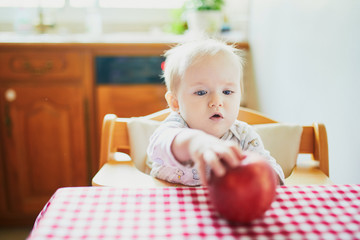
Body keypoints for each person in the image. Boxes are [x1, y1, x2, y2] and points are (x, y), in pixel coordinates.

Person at [147, 38, 284, 186]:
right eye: (201, 92)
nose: (217, 101)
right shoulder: (173, 128)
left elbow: (273, 172)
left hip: (224, 205)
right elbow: (159, 145)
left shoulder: (243, 136)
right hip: (172, 204)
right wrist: (196, 143)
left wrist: (261, 176)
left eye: (227, 91)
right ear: (175, 102)